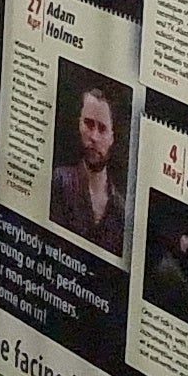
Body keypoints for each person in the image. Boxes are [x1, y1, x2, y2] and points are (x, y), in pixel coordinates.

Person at [51, 79, 128, 249]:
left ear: (112, 138)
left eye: (102, 128)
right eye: (88, 124)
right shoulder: (60, 181)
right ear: (79, 124)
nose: (94, 137)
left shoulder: (121, 210)